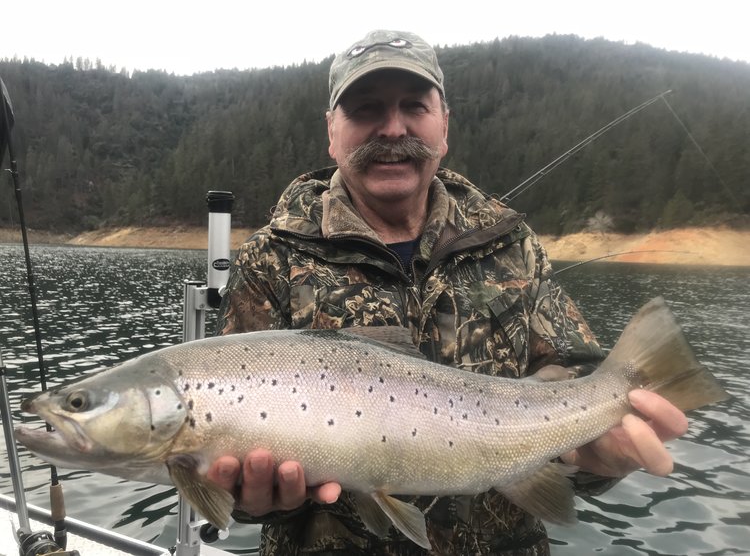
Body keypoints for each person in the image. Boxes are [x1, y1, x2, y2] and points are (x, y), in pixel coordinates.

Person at [207, 30, 688, 555]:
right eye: (366, 109)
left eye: (413, 106)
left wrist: (600, 461)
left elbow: (574, 383)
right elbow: (242, 477)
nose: (392, 129)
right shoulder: (270, 258)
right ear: (332, 131)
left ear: (444, 126)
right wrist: (259, 499)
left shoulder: (512, 242)